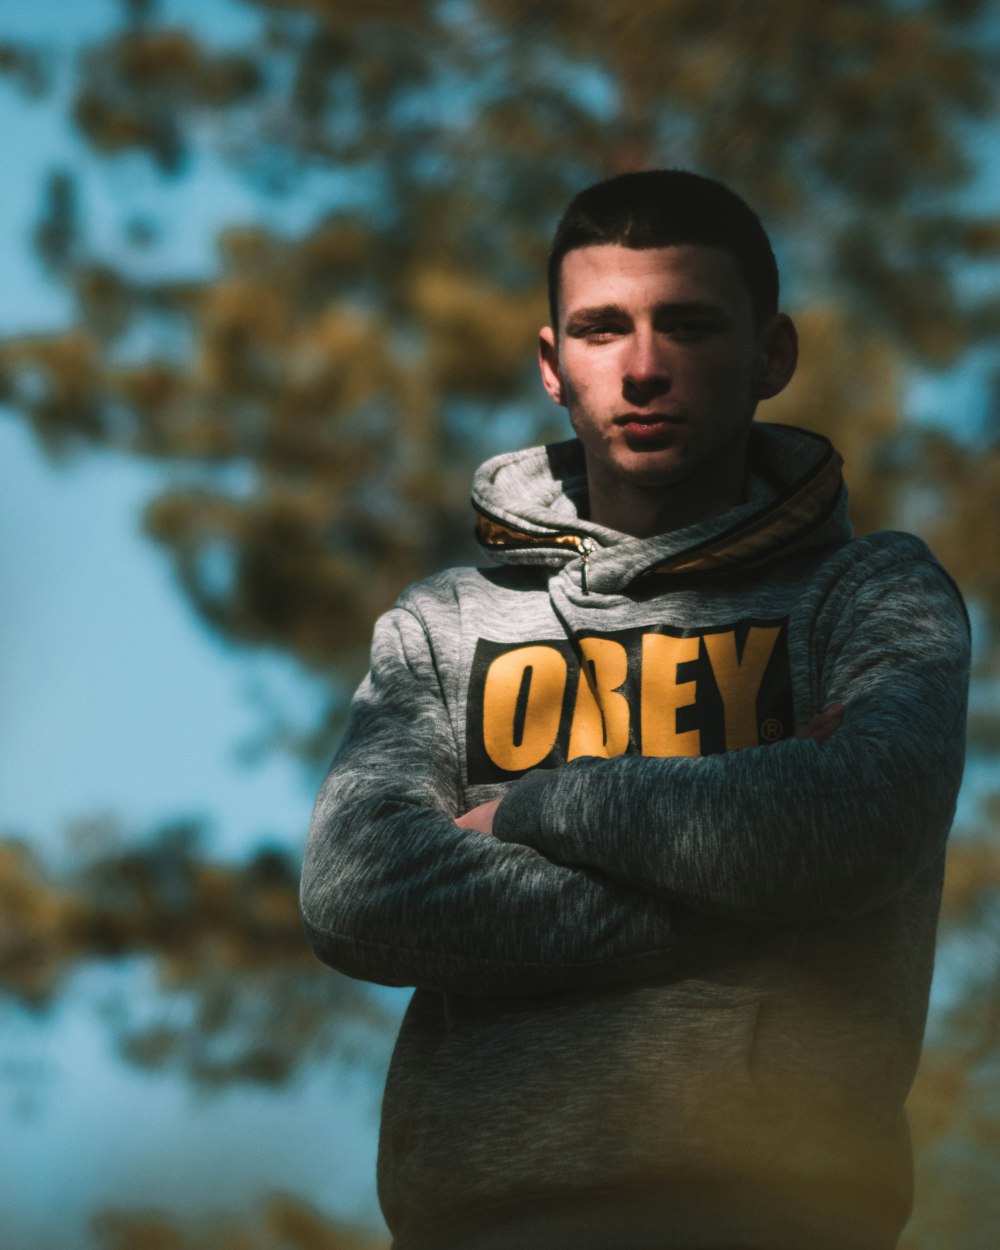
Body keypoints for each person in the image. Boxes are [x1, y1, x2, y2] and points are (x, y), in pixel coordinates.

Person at [300, 170, 970, 1250]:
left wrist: (535, 808)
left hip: (782, 1215)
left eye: (689, 326)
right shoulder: (444, 623)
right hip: (479, 1222)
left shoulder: (871, 594)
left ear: (772, 354)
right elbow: (355, 887)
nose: (644, 368)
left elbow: (857, 825)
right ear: (551, 365)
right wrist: (760, 867)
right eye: (602, 329)